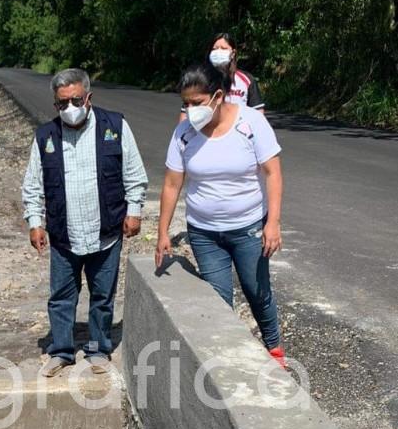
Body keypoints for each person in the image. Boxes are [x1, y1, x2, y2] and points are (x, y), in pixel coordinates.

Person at [156, 62, 286, 368]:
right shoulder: (183, 134)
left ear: (217, 96)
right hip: (204, 232)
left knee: (257, 291)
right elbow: (173, 184)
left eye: (196, 104)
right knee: (217, 300)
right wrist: (162, 232)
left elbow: (273, 174)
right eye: (185, 104)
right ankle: (230, 360)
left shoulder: (251, 123)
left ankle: (274, 349)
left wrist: (273, 223)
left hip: (249, 227)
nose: (190, 111)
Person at [22, 68, 148, 376]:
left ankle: (98, 348)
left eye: (74, 100)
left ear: (88, 98)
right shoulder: (45, 137)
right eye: (61, 104)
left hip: (105, 233)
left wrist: (134, 211)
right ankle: (62, 350)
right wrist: (35, 222)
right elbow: (33, 186)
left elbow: (134, 174)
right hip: (65, 236)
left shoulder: (114, 127)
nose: (68, 108)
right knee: (61, 297)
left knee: (102, 297)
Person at [208, 32, 265, 112]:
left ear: (233, 53)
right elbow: (186, 113)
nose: (218, 52)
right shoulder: (201, 79)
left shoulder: (247, 80)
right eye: (214, 49)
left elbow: (258, 113)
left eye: (224, 48)